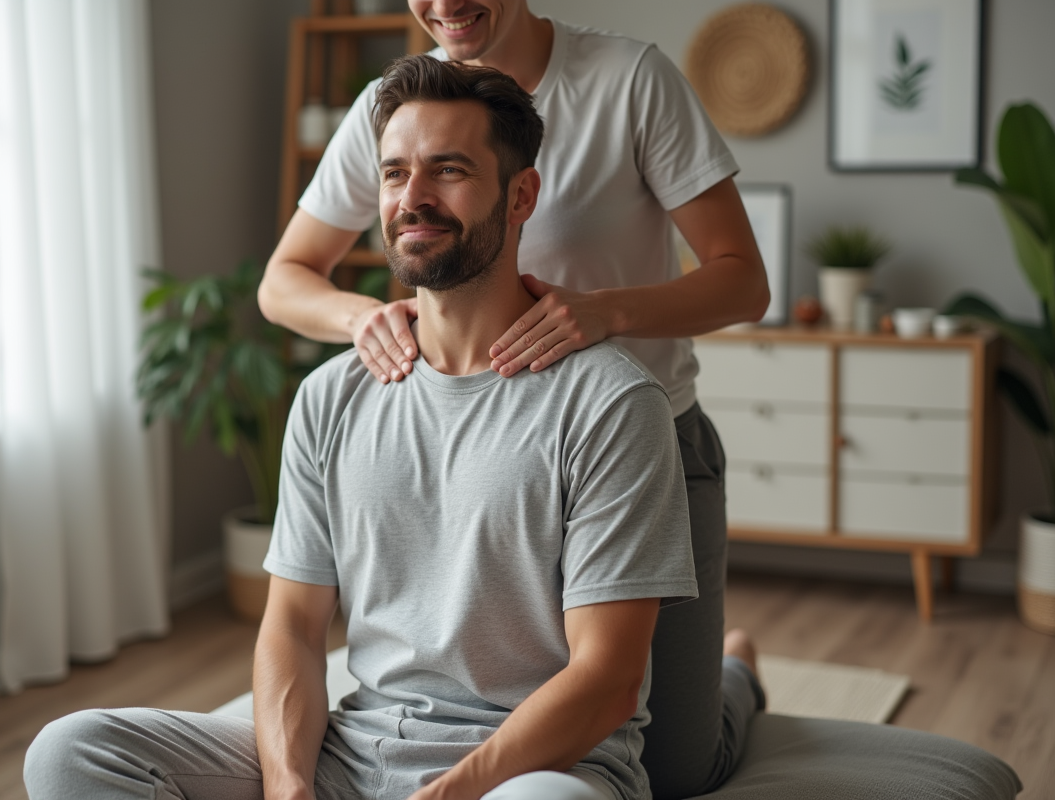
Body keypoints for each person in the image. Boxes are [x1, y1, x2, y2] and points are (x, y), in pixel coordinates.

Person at [23, 56, 762, 800]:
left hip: (532, 774)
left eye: (449, 171)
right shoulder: (329, 398)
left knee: (662, 769)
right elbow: (293, 628)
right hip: (357, 752)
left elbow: (606, 681)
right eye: (394, 174)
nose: (414, 198)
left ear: (520, 196)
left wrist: (446, 793)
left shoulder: (611, 405)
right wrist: (288, 787)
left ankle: (737, 672)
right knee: (70, 753)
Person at [257, 3, 769, 797]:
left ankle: (734, 671)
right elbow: (284, 281)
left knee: (673, 766)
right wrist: (369, 323)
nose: (445, 3)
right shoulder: (395, 105)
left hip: (632, 436)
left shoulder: (629, 83)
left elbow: (744, 279)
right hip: (466, 432)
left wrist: (607, 312)